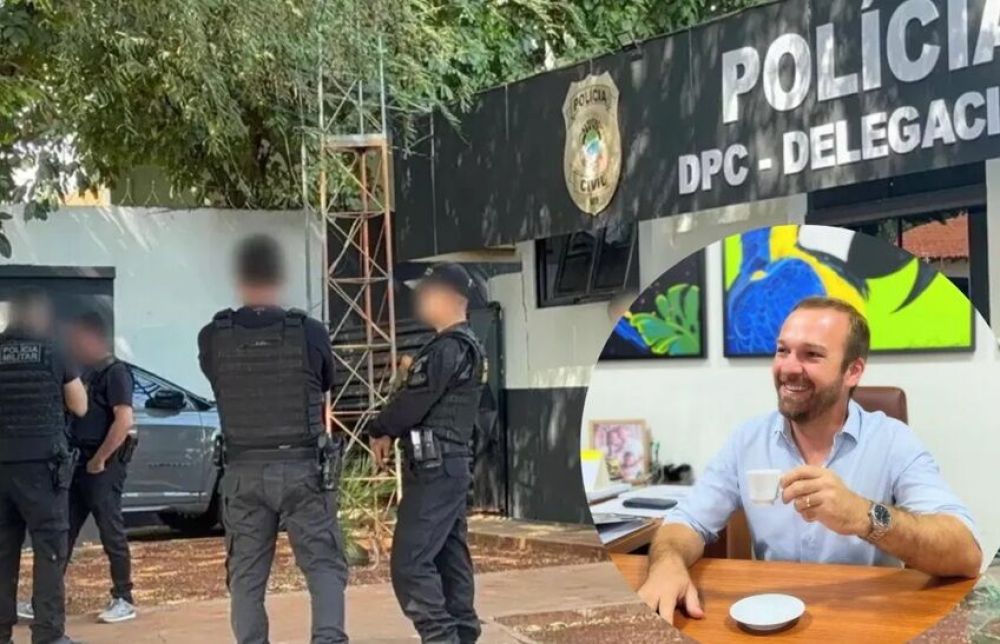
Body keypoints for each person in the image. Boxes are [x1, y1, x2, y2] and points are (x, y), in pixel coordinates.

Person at [638, 296, 983, 624]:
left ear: (853, 371)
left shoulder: (893, 440)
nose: (788, 368)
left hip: (869, 621)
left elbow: (965, 553)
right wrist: (667, 564)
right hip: (767, 622)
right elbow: (688, 521)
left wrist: (863, 516)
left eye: (812, 355)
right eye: (782, 350)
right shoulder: (747, 439)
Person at [198, 234, 348, 644]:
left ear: (238, 280)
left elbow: (215, 378)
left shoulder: (212, 335)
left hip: (242, 472)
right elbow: (326, 382)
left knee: (246, 576)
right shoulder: (310, 332)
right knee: (323, 565)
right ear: (280, 279)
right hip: (303, 469)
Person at [369, 263, 486, 644]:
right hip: (446, 466)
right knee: (449, 559)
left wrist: (381, 427)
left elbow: (413, 402)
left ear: (452, 297)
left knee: (410, 564)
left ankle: (441, 638)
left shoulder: (449, 348)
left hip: (435, 469)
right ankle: (461, 635)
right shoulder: (459, 346)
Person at [0, 288, 88, 644]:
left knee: (2, 552)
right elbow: (79, 405)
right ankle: (48, 634)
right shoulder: (54, 351)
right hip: (42, 469)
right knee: (49, 550)